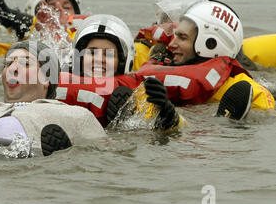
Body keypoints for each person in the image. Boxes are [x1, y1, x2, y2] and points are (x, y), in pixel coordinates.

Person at [0, 40, 107, 157]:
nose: (13, 68)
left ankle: (52, 155)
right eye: (8, 63)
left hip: (33, 158)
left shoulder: (75, 114)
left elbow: (105, 154)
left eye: (25, 63)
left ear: (47, 78)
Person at [135, 0, 275, 116]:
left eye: (182, 37)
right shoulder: (157, 83)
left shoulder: (253, 94)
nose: (171, 44)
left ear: (210, 44)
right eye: (175, 35)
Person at [55, 14, 185, 130]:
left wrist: (167, 112)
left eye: (109, 54)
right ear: (80, 58)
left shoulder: (134, 93)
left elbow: (181, 129)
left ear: (122, 62)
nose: (99, 59)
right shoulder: (57, 82)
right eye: (92, 52)